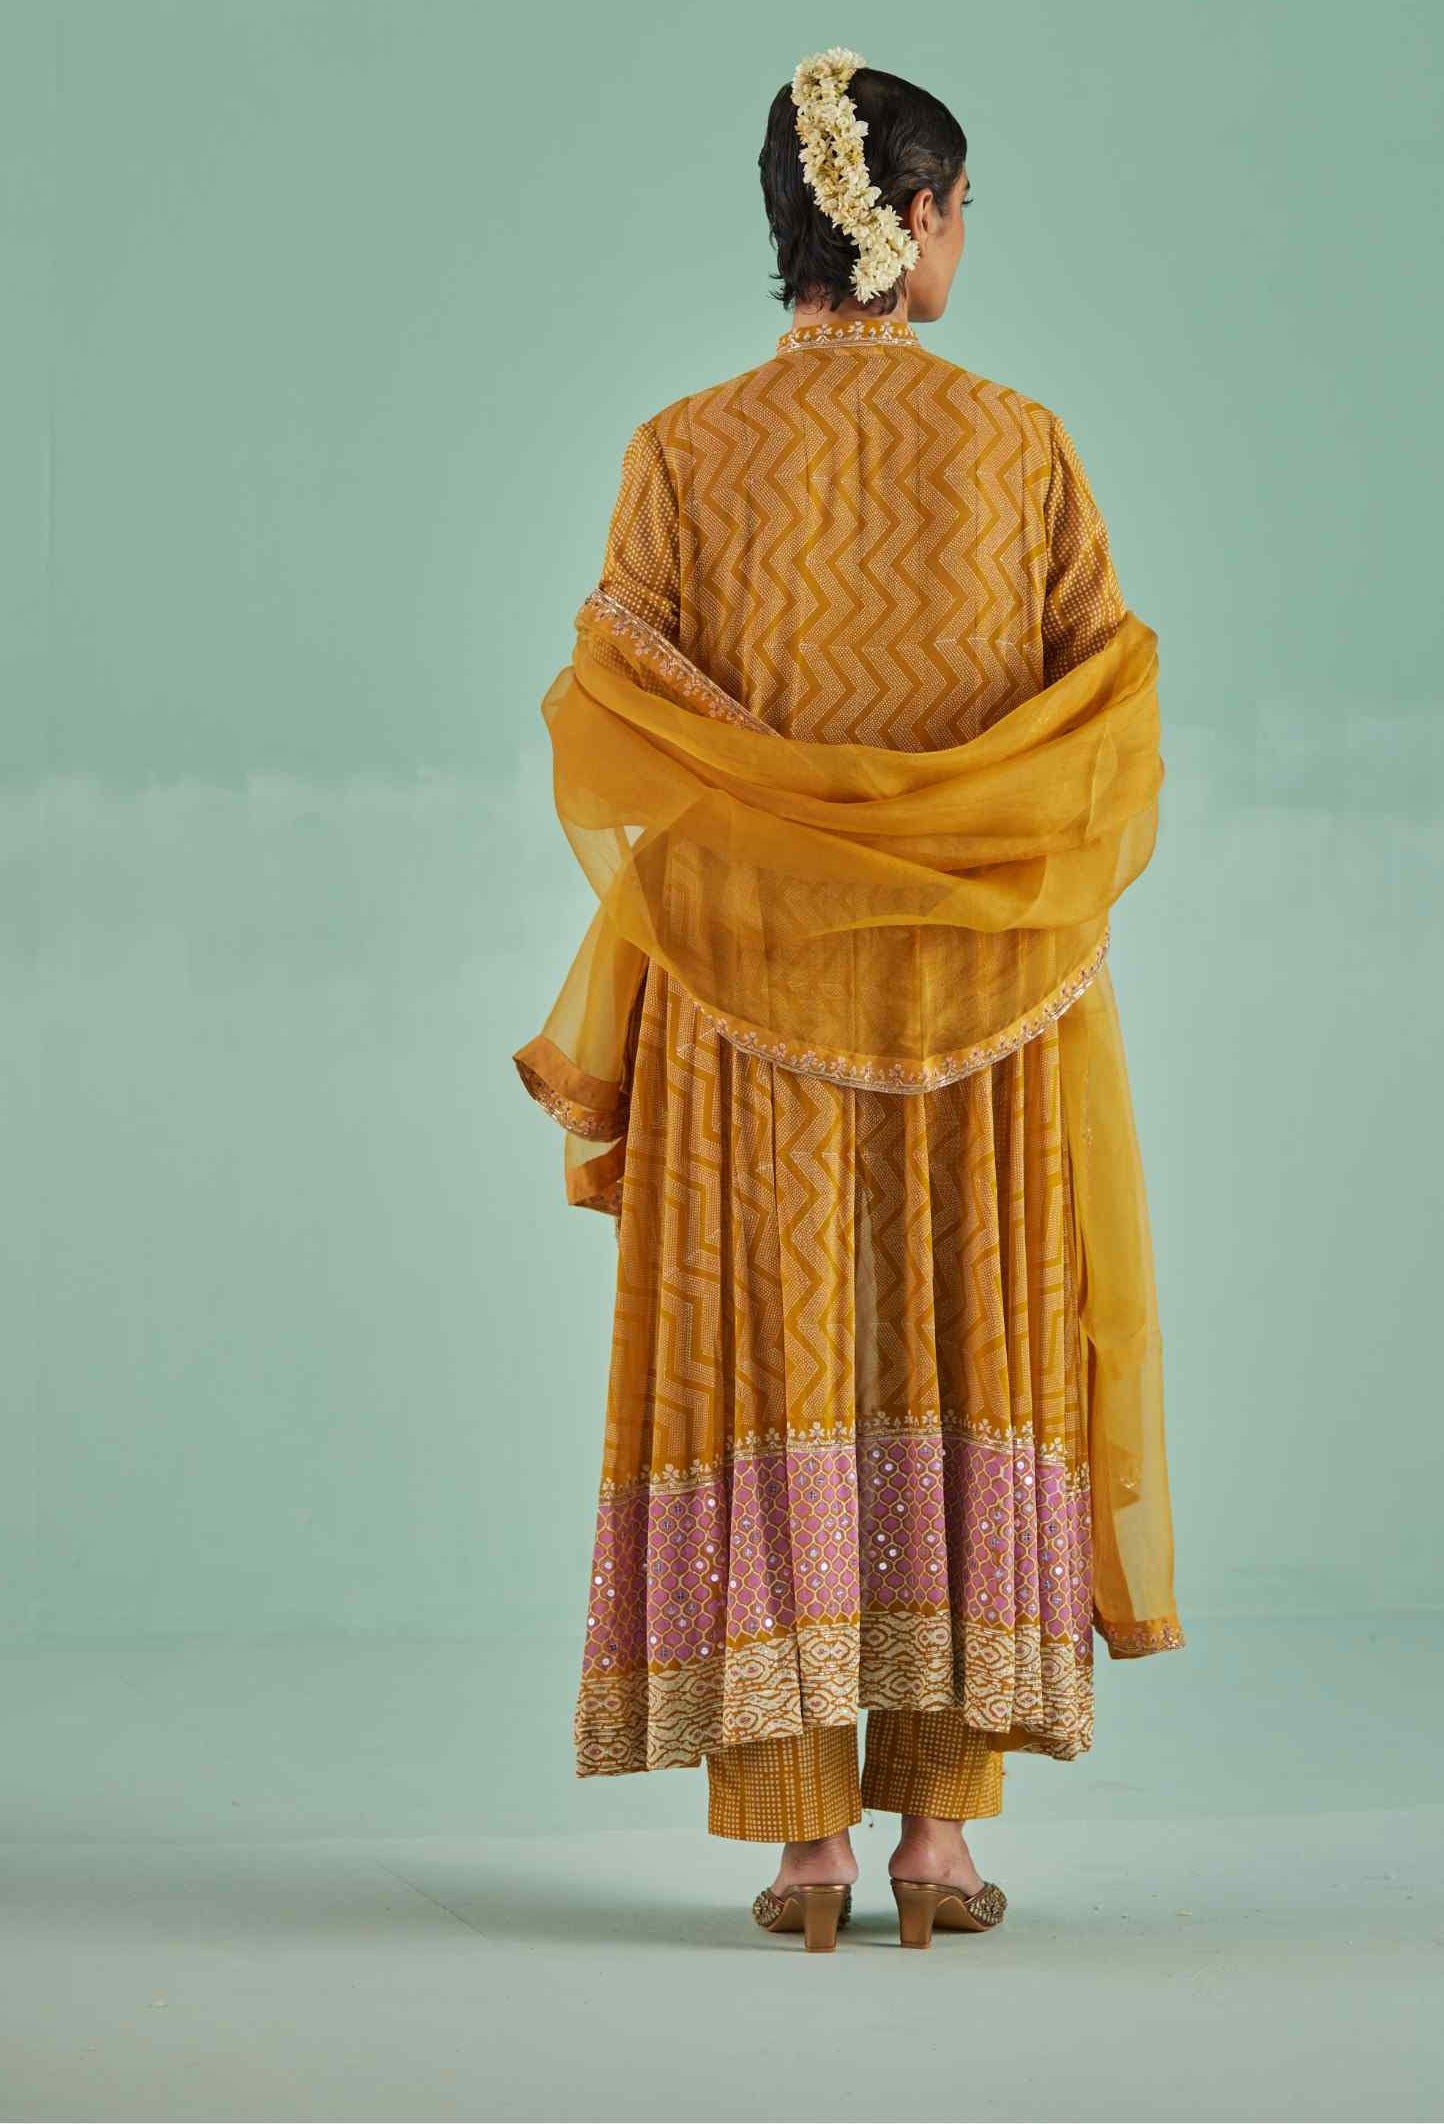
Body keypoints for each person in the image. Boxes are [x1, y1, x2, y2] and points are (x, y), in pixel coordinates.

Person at [514, 49, 1183, 1953]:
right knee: (962, 1350)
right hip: (985, 1008)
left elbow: (617, 719)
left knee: (783, 1360)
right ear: (922, 221)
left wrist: (781, 827)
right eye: (965, 210)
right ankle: (937, 1848)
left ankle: (803, 1847)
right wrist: (961, 841)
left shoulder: (679, 454)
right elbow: (1109, 717)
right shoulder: (1022, 449)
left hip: (751, 1007)